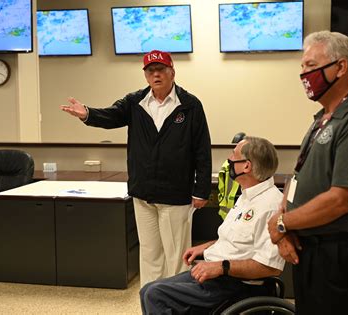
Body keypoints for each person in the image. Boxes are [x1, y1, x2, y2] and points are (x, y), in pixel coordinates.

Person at [60, 50, 212, 287]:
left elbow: (202, 150)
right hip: (142, 193)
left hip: (176, 195)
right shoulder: (135, 101)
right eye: (150, 71)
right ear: (145, 76)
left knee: (177, 256)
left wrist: (201, 190)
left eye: (161, 69)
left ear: (172, 72)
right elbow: (110, 116)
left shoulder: (190, 105)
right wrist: (87, 114)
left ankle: (177, 301)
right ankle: (151, 301)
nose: (156, 74)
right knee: (150, 254)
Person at [267, 31, 348, 315]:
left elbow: (341, 199)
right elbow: (297, 178)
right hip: (310, 251)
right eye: (302, 66)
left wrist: (282, 224)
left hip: (341, 256)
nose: (303, 74)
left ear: (341, 67)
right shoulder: (322, 120)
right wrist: (283, 227)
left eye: (311, 65)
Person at [141, 136, 285, 314]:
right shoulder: (247, 196)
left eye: (233, 155)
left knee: (156, 295)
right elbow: (236, 241)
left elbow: (270, 266)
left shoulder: (271, 206)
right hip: (218, 273)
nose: (229, 160)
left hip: (237, 284)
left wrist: (220, 267)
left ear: (246, 166)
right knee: (147, 290)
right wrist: (206, 247)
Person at [217, 132, 246, 220]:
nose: (230, 158)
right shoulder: (229, 165)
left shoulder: (230, 165)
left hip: (233, 210)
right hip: (229, 211)